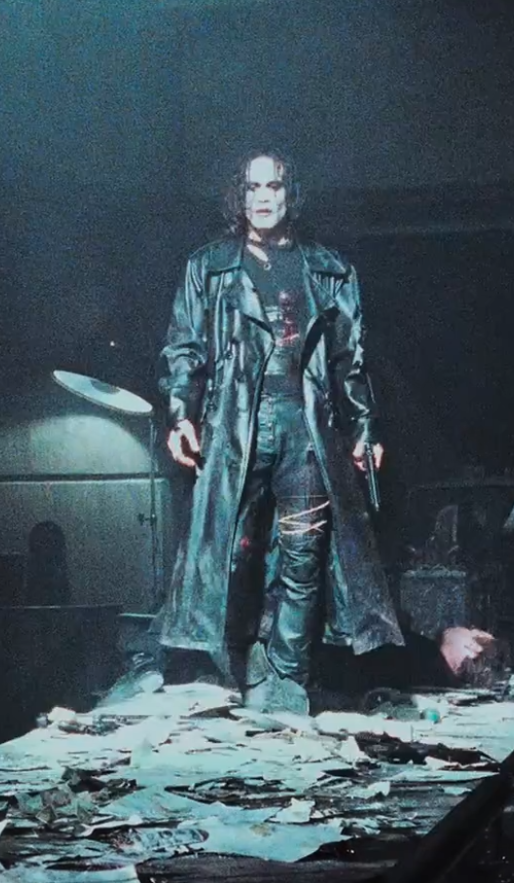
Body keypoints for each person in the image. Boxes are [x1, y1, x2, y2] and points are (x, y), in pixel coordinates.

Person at [149, 148, 405, 715]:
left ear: (291, 193)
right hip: (234, 425)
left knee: (304, 555)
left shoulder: (329, 270)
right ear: (238, 196)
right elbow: (184, 346)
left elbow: (350, 359)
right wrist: (181, 413)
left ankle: (289, 680)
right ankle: (232, 674)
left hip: (306, 427)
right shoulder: (209, 267)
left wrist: (364, 426)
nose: (263, 197)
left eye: (274, 186)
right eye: (252, 187)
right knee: (230, 553)